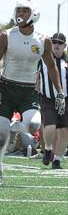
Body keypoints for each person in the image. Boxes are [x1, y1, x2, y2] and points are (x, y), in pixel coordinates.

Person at [0, 0, 65, 186]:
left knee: (34, 124)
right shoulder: (7, 35)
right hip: (6, 88)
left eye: (24, 11)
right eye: (18, 10)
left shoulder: (43, 40)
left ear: (34, 14)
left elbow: (51, 67)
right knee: (1, 138)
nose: (20, 14)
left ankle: (16, 125)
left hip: (28, 90)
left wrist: (60, 92)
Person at [37, 32, 68, 169]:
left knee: (65, 131)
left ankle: (57, 160)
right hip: (48, 98)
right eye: (54, 42)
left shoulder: (66, 62)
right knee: (50, 126)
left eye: (59, 43)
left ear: (64, 46)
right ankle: (48, 149)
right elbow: (35, 77)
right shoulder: (42, 59)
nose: (56, 45)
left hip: (65, 99)